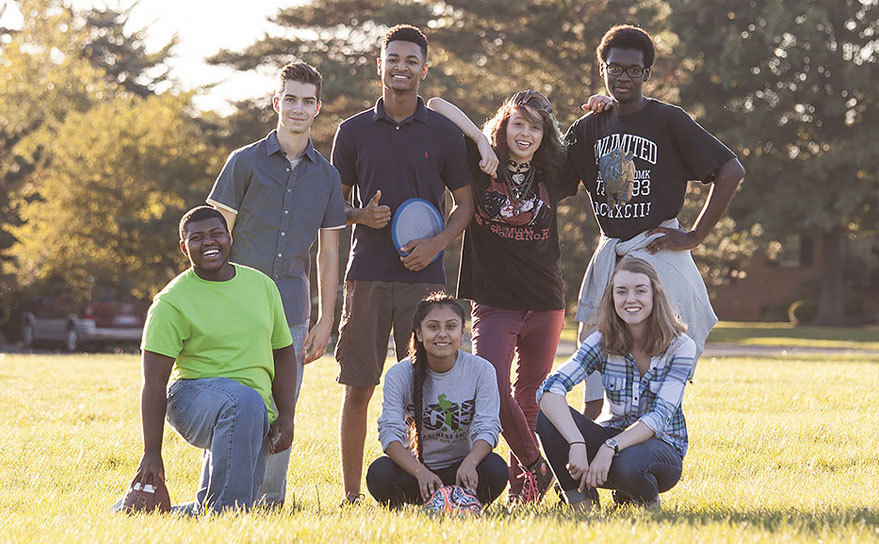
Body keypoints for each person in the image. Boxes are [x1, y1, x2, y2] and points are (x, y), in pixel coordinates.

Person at [561, 25, 745, 419]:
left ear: (646, 73)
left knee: (660, 354)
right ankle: (589, 440)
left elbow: (731, 169)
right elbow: (550, 180)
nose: (623, 77)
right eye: (615, 68)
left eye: (633, 70)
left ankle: (652, 437)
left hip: (656, 250)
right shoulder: (589, 127)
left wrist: (694, 235)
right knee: (597, 359)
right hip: (612, 252)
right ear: (602, 69)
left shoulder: (667, 120)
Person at [427, 90, 600, 504]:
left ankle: (525, 492)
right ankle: (536, 463)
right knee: (493, 387)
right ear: (503, 127)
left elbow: (590, 132)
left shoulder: (554, 169)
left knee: (531, 396)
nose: (525, 134)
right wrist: (480, 141)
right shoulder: (480, 162)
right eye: (517, 123)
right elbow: (435, 105)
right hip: (494, 301)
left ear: (545, 134)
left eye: (535, 127)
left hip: (545, 300)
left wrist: (602, 104)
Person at [331, 24, 474, 505]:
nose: (401, 67)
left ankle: (430, 488)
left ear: (424, 69)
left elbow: (466, 205)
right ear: (380, 64)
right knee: (359, 387)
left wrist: (436, 244)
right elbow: (331, 206)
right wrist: (359, 215)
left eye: (412, 60)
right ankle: (352, 496)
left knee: (426, 391)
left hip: (424, 282)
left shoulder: (444, 133)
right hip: (366, 277)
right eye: (393, 58)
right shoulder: (352, 131)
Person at [206, 61, 346, 506]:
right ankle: (221, 496)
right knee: (233, 403)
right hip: (236, 306)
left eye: (307, 101)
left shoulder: (327, 177)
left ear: (318, 107)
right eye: (291, 99)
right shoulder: (243, 162)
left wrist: (326, 319)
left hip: (292, 311)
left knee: (284, 408)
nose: (298, 108)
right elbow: (214, 238)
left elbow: (328, 252)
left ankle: (269, 501)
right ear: (276, 102)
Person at [134, 206, 298, 513]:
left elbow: (284, 353)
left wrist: (286, 415)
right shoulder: (171, 302)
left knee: (227, 499)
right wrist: (151, 451)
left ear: (229, 238)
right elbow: (154, 381)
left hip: (253, 408)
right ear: (185, 248)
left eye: (216, 234)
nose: (208, 242)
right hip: (192, 399)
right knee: (233, 504)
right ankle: (226, 520)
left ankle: (134, 514)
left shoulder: (262, 286)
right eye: (197, 238)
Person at [536, 257, 695, 511]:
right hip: (611, 436)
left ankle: (646, 502)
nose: (630, 299)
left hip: (661, 448)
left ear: (655, 295)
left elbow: (659, 417)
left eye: (640, 290)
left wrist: (610, 447)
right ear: (612, 298)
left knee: (628, 463)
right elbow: (550, 389)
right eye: (621, 291)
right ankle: (581, 504)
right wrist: (576, 442)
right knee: (548, 418)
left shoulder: (680, 346)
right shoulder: (602, 341)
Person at [365, 293, 507, 508]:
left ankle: (465, 503)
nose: (442, 334)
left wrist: (470, 463)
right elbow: (389, 433)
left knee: (496, 468)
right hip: (416, 474)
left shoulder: (482, 370)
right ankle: (417, 504)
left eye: (451, 327)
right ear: (419, 333)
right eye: (433, 327)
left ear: (462, 332)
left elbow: (488, 426)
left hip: (461, 472)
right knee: (379, 472)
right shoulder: (399, 374)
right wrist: (420, 472)